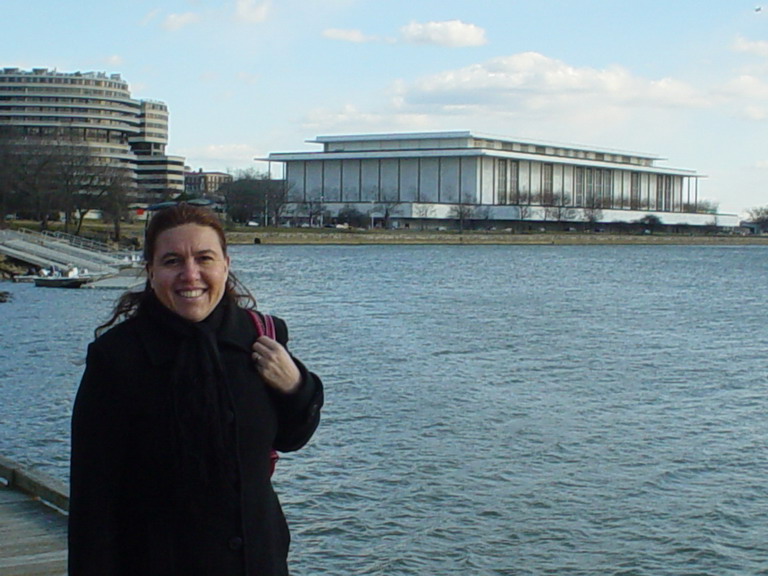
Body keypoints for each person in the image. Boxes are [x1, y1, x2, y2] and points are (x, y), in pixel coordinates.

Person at [69, 203, 323, 576]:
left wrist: (297, 386)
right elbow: (93, 500)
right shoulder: (117, 359)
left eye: (204, 258)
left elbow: (292, 437)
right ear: (150, 270)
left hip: (258, 561)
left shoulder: (263, 337)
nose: (191, 275)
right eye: (172, 261)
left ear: (225, 264)